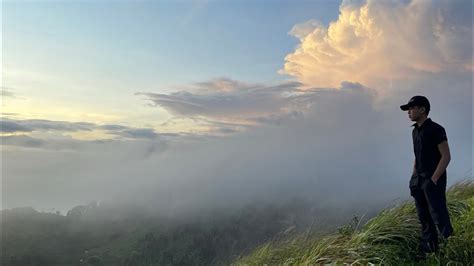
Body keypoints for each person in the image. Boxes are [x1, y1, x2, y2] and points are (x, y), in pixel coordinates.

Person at [400, 95, 454, 255]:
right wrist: (413, 178)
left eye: (411, 108)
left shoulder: (436, 129)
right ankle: (430, 249)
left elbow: (446, 156)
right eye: (408, 109)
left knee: (439, 214)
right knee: (423, 216)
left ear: (422, 109)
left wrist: (434, 179)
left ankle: (451, 248)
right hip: (419, 180)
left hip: (432, 179)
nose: (408, 112)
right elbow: (417, 156)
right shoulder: (415, 132)